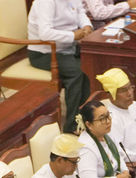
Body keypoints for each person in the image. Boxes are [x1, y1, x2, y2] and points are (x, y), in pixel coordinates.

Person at [27, 0, 92, 134]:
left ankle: (86, 119)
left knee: (90, 66)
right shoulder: (45, 2)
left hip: (68, 48)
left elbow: (80, 12)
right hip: (44, 53)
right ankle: (71, 126)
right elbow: (45, 33)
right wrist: (72, 35)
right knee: (77, 72)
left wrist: (86, 26)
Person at [76, 101, 133, 178]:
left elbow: (119, 156)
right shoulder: (86, 147)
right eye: (102, 118)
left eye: (108, 116)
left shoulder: (107, 133)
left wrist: (125, 171)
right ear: (89, 124)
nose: (108, 121)